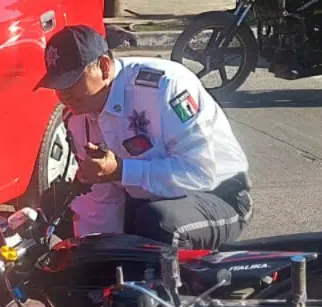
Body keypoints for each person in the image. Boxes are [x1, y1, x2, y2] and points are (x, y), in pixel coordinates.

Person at [38, 25, 253, 249]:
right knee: (64, 223)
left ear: (103, 67)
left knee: (157, 223)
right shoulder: (78, 115)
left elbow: (199, 174)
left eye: (71, 82)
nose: (63, 94)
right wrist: (93, 258)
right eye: (57, 85)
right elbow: (102, 199)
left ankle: (177, 283)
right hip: (146, 198)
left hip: (220, 194)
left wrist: (121, 171)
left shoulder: (165, 86)